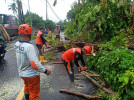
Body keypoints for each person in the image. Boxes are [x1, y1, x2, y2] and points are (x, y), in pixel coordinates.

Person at [15, 24, 51, 100]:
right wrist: (45, 70)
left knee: (27, 87)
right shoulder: (29, 47)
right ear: (30, 34)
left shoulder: (17, 44)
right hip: (32, 75)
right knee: (34, 94)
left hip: (22, 74)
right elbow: (35, 64)